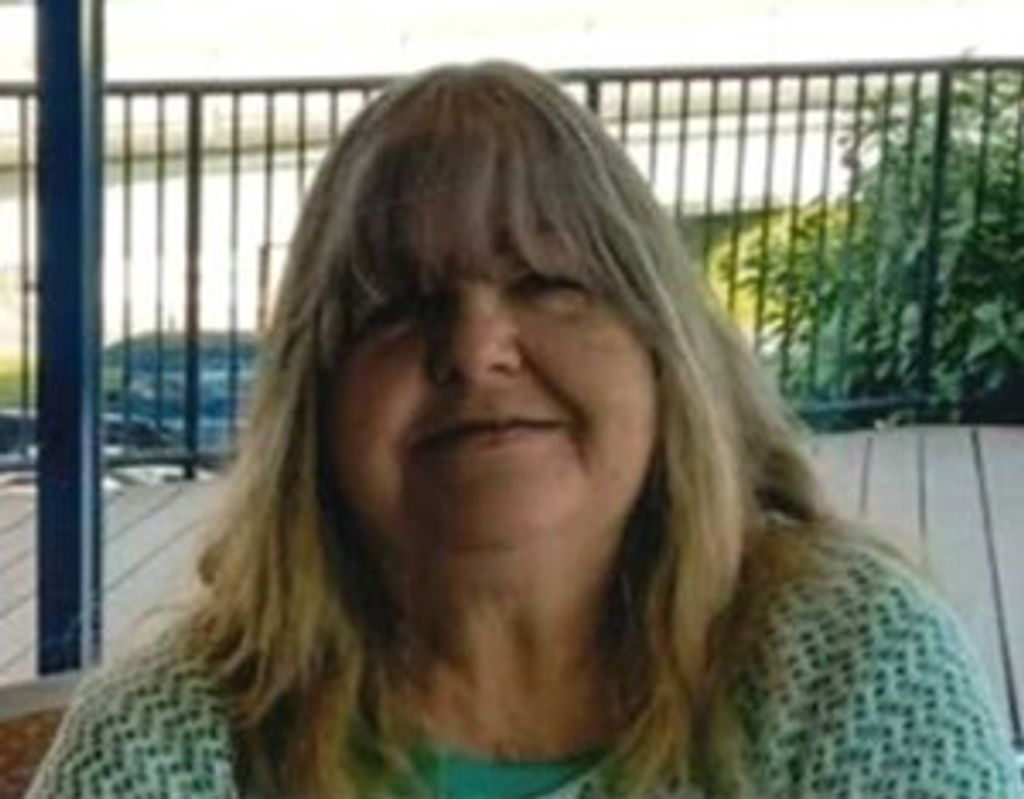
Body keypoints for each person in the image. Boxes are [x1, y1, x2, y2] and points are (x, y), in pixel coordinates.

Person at [29, 61, 1022, 799]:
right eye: (397, 304)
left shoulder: (851, 662)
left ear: (663, 350)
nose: (474, 349)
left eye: (548, 283)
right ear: (314, 400)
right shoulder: (165, 743)